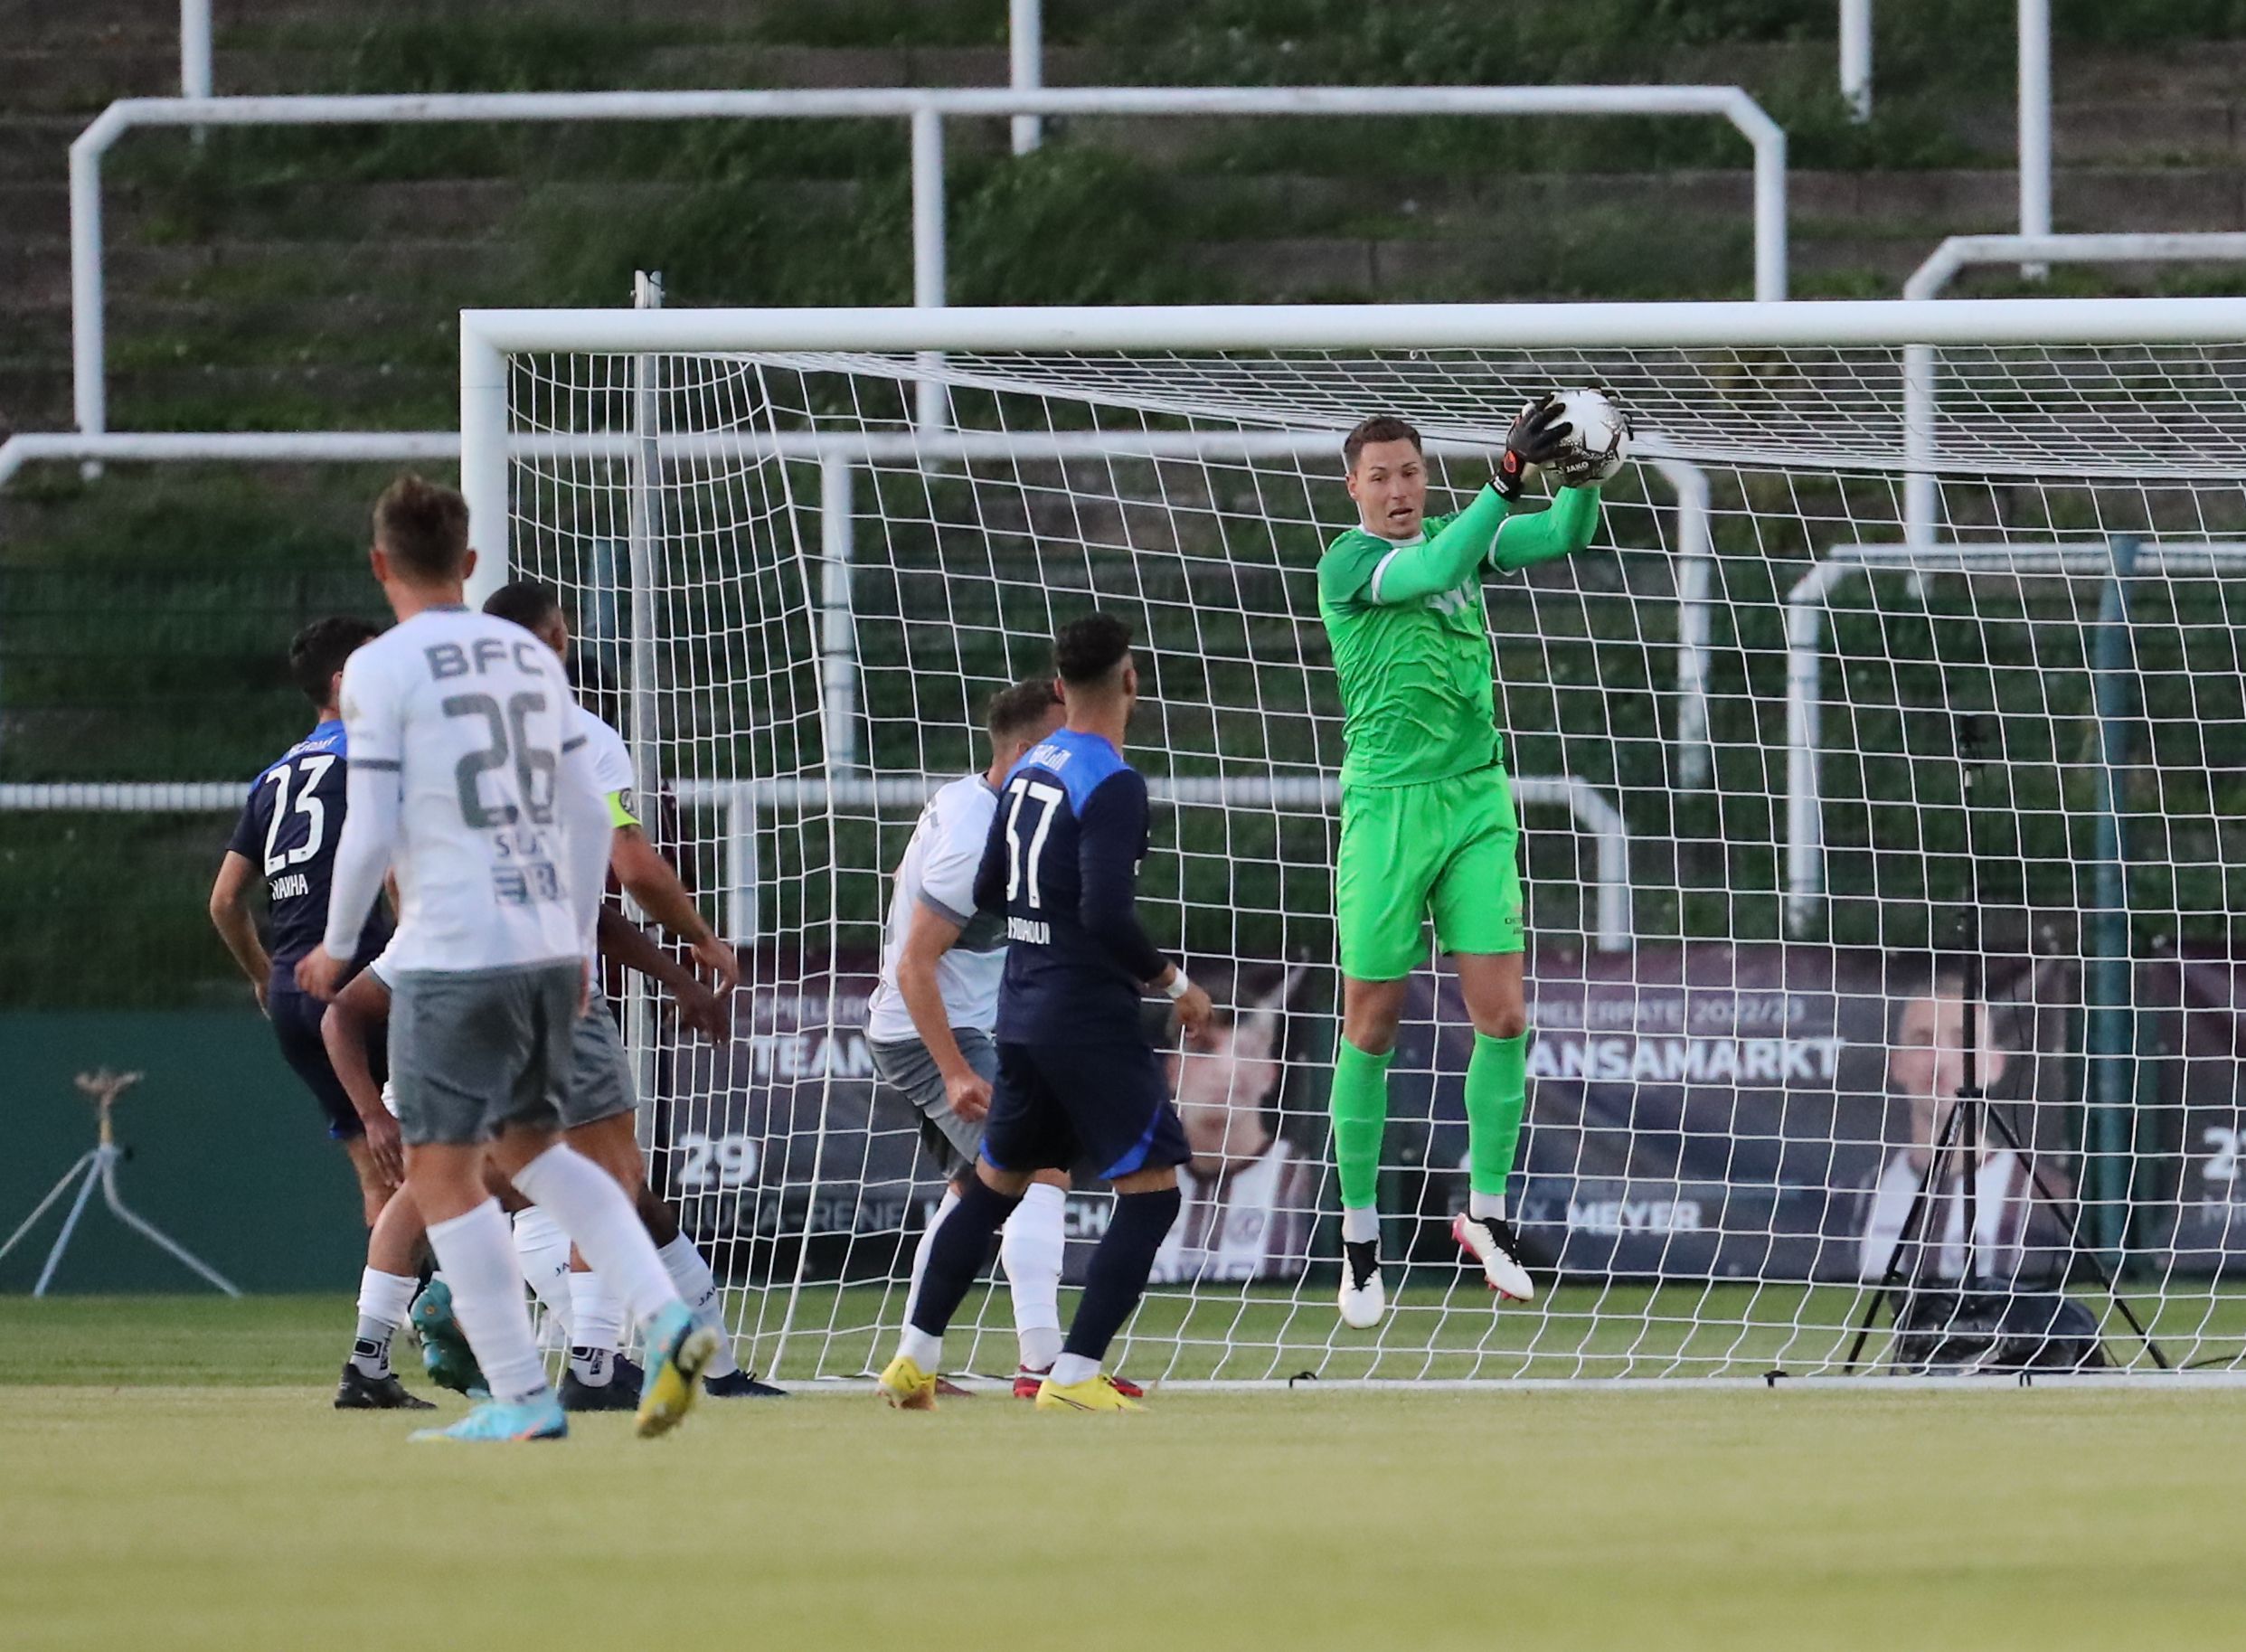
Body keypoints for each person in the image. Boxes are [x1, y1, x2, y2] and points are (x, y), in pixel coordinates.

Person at [296, 473, 712, 1444]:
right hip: (540, 946)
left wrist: (335, 938)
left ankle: (525, 1397)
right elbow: (581, 810)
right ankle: (670, 1321)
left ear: (380, 565)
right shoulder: (532, 664)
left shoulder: (379, 672)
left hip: (452, 946)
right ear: (470, 563)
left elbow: (370, 826)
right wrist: (569, 939)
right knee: (532, 1151)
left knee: (439, 1177)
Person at [1315, 404, 1609, 1328]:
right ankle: (1360, 1239)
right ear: (1353, 488)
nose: (1400, 490)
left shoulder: (1459, 531)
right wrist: (1506, 473)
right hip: (1388, 813)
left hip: (1476, 802)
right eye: (1382, 477)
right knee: (1371, 1024)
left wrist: (1585, 472)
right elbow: (1439, 569)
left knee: (1506, 1014)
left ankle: (1484, 1215)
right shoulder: (1351, 565)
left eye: (1411, 472)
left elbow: (1562, 533)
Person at [876, 613, 1213, 1413]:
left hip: (1020, 1013)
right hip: (1084, 1019)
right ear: (1130, 682)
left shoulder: (1029, 770)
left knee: (994, 1184)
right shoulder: (1112, 780)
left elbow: (991, 889)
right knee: (1155, 1193)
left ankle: (914, 1361)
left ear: (1061, 687)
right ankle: (1071, 1373)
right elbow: (1104, 913)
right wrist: (1173, 983)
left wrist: (1040, 926)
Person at [478, 579, 779, 1407]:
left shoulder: (450, 736)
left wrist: (679, 973)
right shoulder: (580, 737)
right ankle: (592, 1365)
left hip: (450, 978)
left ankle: (707, 1365)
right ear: (557, 637)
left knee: (567, 1180)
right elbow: (634, 868)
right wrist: (705, 940)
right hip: (546, 986)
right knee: (605, 1178)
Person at [865, 676, 1090, 1399]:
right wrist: (954, 1069)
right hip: (931, 1031)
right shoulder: (974, 832)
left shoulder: (992, 808)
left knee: (978, 1189)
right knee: (1043, 1164)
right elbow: (914, 961)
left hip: (959, 1023)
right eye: (1059, 746)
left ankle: (915, 1362)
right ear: (1023, 752)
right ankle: (1042, 1363)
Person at [207, 618, 400, 1232]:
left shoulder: (272, 778)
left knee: (378, 1170)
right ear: (344, 681)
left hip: (296, 993)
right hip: (367, 986)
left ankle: (403, 1312)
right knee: (461, 1153)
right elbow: (394, 867)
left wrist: (265, 978)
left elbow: (224, 901)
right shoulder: (373, 758)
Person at [1857, 983, 2067, 1283]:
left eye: (1962, 1041)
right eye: (1921, 1041)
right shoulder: (1862, 1196)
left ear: (1995, 1064)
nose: (1940, 1060)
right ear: (1897, 1064)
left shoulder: (2047, 1194)